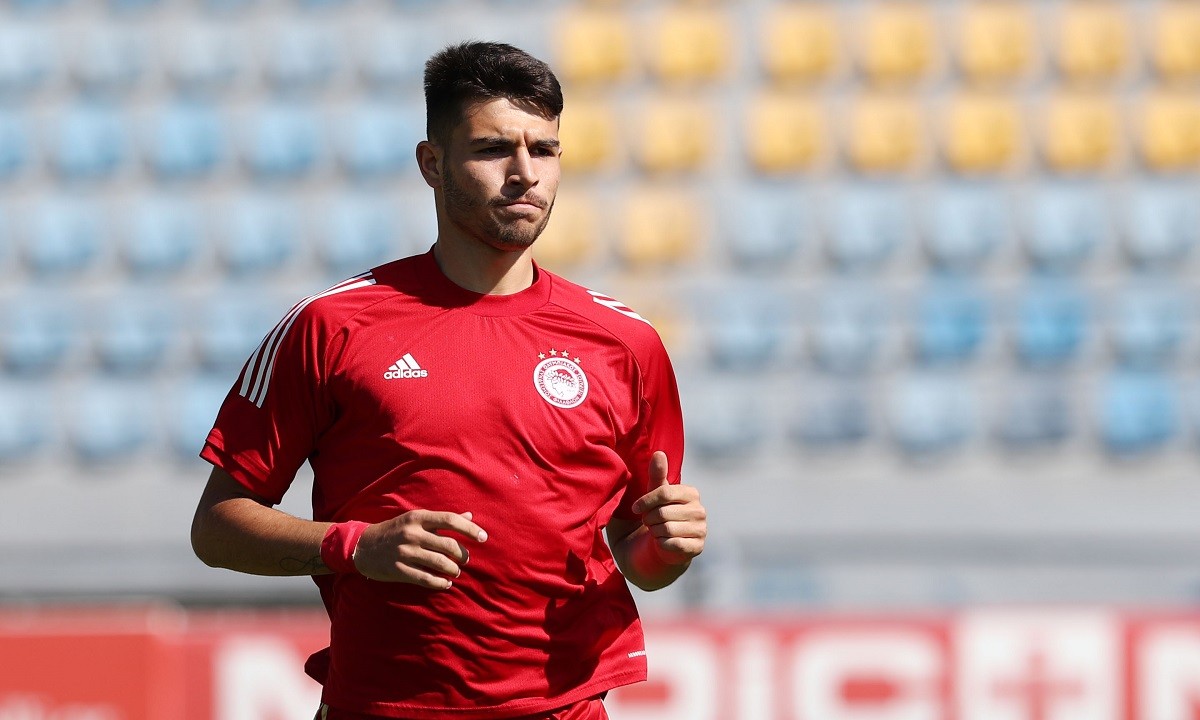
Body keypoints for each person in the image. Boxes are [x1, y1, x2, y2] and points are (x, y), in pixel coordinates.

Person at [190, 41, 707, 720]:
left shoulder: (625, 343)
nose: (525, 174)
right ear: (431, 163)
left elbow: (638, 558)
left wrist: (668, 548)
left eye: (544, 150)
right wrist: (356, 546)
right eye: (493, 150)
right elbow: (217, 529)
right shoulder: (331, 326)